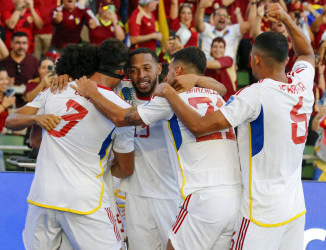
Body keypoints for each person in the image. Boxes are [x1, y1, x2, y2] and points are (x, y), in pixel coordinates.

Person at [153, 3, 315, 249]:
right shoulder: (303, 83)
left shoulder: (254, 95)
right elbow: (307, 54)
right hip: (295, 208)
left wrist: (168, 90)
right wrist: (286, 18)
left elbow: (198, 126)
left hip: (261, 214)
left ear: (257, 59)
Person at [73, 46, 242, 250]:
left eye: (147, 68)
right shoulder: (121, 88)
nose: (140, 75)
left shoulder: (171, 93)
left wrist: (194, 80)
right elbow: (220, 89)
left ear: (160, 68)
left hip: (172, 192)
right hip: (135, 192)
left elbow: (120, 118)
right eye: (133, 70)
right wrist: (64, 77)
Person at [5, 40, 134, 249]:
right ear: (122, 71)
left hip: (43, 197)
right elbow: (126, 168)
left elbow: (28, 135)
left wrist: (35, 119)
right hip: (84, 201)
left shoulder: (55, 90)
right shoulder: (120, 107)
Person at [205, 37, 236, 101]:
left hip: (229, 102)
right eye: (215, 46)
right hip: (212, 102)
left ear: (224, 50)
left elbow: (214, 64)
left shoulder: (228, 60)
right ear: (211, 49)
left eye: (221, 47)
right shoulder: (207, 67)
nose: (218, 49)